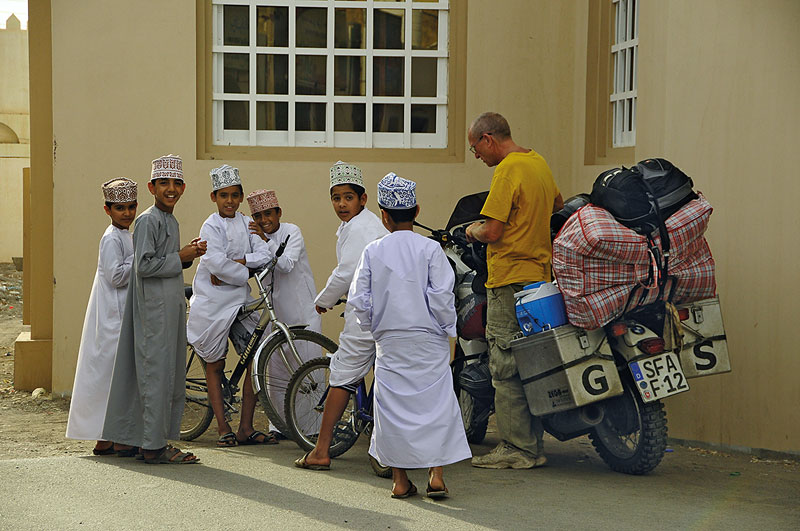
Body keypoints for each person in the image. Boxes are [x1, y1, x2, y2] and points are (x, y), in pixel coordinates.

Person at [349, 173, 472, 499]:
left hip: (390, 341)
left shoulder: (373, 251)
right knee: (436, 406)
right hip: (429, 339)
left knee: (393, 411)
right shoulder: (431, 249)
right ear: (416, 211)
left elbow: (359, 301)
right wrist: (448, 329)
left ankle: (400, 481)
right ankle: (436, 475)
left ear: (383, 215)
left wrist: (374, 328)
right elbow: (442, 297)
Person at [465, 112, 563, 469]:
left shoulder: (507, 170)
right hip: (539, 279)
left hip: (509, 279)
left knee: (505, 364)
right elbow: (557, 205)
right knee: (530, 362)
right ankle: (532, 445)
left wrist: (472, 231)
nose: (477, 156)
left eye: (475, 148)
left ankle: (515, 448)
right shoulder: (538, 163)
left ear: (488, 139)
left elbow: (492, 231)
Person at [102, 154, 206, 464]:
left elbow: (163, 261)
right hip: (153, 312)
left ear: (183, 188)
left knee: (159, 377)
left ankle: (131, 441)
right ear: (152, 187)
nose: (170, 189)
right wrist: (181, 256)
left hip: (167, 309)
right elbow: (144, 266)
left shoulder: (169, 220)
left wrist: (187, 255)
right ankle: (153, 446)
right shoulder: (148, 220)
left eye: (176, 183)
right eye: (164, 183)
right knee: (155, 378)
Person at [294, 160, 388, 470]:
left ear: (363, 199)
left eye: (348, 197)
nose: (342, 204)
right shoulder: (367, 224)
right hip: (387, 313)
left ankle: (321, 451)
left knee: (342, 376)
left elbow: (347, 271)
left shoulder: (359, 228)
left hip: (366, 316)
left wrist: (324, 300)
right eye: (336, 198)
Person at [186, 165, 275, 447]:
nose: (230, 201)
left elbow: (264, 253)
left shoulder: (247, 222)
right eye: (224, 195)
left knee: (256, 358)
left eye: (235, 195)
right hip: (213, 299)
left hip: (238, 297)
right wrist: (245, 269)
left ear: (241, 197)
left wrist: (240, 265)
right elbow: (214, 262)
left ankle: (245, 427)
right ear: (214, 197)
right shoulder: (210, 225)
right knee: (216, 363)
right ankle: (223, 427)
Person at [66, 178, 138, 456]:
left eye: (131, 207)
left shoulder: (126, 235)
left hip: (118, 311)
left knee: (111, 376)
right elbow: (117, 276)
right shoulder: (111, 238)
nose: (127, 213)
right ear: (107, 210)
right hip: (110, 315)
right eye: (120, 208)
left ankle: (106, 439)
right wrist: (142, 260)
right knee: (111, 377)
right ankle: (114, 437)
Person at [247, 188, 322, 439]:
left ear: (279, 212)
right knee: (277, 372)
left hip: (302, 312)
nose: (264, 220)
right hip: (275, 314)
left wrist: (265, 241)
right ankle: (279, 427)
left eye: (268, 214)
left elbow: (287, 264)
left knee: (308, 371)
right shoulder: (255, 237)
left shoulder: (292, 231)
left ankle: (311, 429)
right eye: (258, 216)